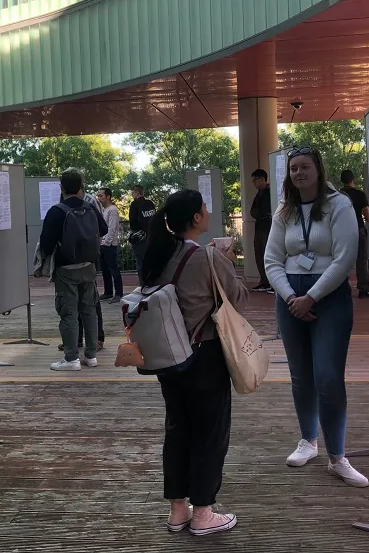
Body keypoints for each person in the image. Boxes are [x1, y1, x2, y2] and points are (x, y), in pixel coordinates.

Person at [141, 189, 247, 536]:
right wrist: (226, 260)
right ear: (197, 218)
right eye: (204, 207)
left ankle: (177, 510)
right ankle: (203, 513)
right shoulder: (207, 258)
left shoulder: (157, 255)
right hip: (204, 355)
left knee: (177, 429)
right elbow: (238, 298)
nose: (207, 210)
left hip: (169, 358)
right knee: (209, 433)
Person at [264, 147, 368, 488]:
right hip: (291, 299)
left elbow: (344, 257)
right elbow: (272, 260)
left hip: (329, 298)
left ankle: (338, 456)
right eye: (293, 168)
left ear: (318, 170)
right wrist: (292, 297)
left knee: (327, 376)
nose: (298, 173)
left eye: (305, 167)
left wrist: (312, 297)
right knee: (300, 376)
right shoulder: (285, 210)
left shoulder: (339, 205)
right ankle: (308, 441)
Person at [39, 169, 107, 371]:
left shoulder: (56, 211)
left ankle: (71, 358)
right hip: (89, 266)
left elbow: (46, 243)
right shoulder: (90, 208)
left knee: (68, 312)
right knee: (89, 311)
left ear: (62, 187)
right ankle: (91, 356)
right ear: (81, 187)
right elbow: (102, 229)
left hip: (66, 269)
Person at [340, 170, 369, 298]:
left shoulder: (337, 195)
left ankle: (342, 287)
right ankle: (363, 288)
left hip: (341, 230)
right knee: (362, 259)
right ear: (352, 179)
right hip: (358, 228)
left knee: (341, 258)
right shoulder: (360, 194)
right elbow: (366, 214)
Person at [97, 188, 123, 303]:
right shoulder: (104, 210)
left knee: (113, 269)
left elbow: (111, 228)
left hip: (109, 245)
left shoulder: (112, 210)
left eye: (101, 195)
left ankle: (118, 293)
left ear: (108, 197)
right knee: (105, 269)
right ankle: (108, 292)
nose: (99, 198)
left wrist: (106, 243)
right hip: (103, 244)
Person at [250, 169, 273, 292]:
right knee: (258, 254)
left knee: (267, 254)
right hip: (259, 227)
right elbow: (253, 211)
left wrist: (260, 213)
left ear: (263, 179)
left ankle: (271, 282)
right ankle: (264, 281)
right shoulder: (258, 194)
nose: (254, 183)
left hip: (267, 227)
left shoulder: (270, 192)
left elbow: (264, 210)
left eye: (255, 180)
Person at [128, 185, 156, 285]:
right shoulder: (150, 203)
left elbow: (133, 222)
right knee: (151, 259)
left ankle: (143, 284)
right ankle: (153, 281)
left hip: (140, 237)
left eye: (132, 193)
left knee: (140, 261)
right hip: (152, 235)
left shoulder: (134, 204)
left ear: (137, 193)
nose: (132, 195)